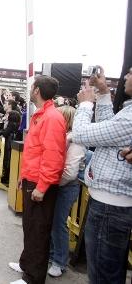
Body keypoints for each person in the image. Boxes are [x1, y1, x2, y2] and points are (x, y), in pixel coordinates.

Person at [72, 66, 132, 284]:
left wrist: (87, 104)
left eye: (131, 72)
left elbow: (81, 134)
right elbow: (109, 129)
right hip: (110, 205)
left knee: (102, 275)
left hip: (110, 208)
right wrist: (104, 92)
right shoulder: (127, 112)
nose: (126, 76)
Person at [8, 75, 67, 284]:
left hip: (41, 184)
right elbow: (36, 153)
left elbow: (53, 157)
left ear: (37, 91)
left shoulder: (52, 118)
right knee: (30, 227)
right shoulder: (42, 115)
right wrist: (25, 177)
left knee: (38, 231)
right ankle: (26, 265)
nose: (30, 89)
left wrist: (41, 187)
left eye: (32, 87)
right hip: (33, 180)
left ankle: (33, 278)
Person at [47, 106, 85, 277]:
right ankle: (53, 255)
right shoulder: (64, 136)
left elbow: (70, 172)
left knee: (58, 224)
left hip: (66, 186)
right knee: (54, 222)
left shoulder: (75, 140)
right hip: (60, 185)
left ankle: (59, 261)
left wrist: (51, 182)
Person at [0, 99, 21, 184]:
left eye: (5, 103)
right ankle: (5, 178)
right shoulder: (13, 118)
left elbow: (6, 132)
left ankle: (5, 179)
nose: (6, 117)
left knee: (6, 160)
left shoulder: (13, 119)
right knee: (4, 159)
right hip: (8, 142)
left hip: (8, 143)